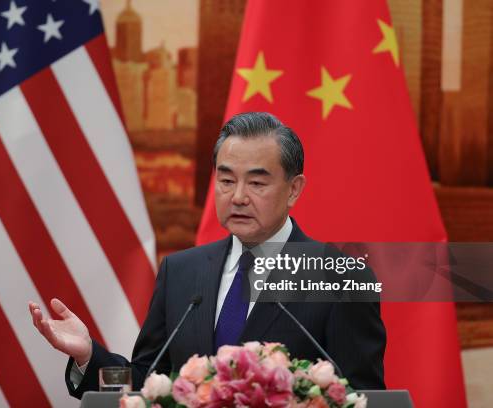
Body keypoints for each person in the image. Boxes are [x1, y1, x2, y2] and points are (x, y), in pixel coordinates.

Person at [28, 112, 386, 399]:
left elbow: (361, 397)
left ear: (294, 189)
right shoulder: (181, 272)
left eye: (257, 183)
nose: (239, 196)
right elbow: (148, 382)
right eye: (226, 180)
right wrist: (89, 355)